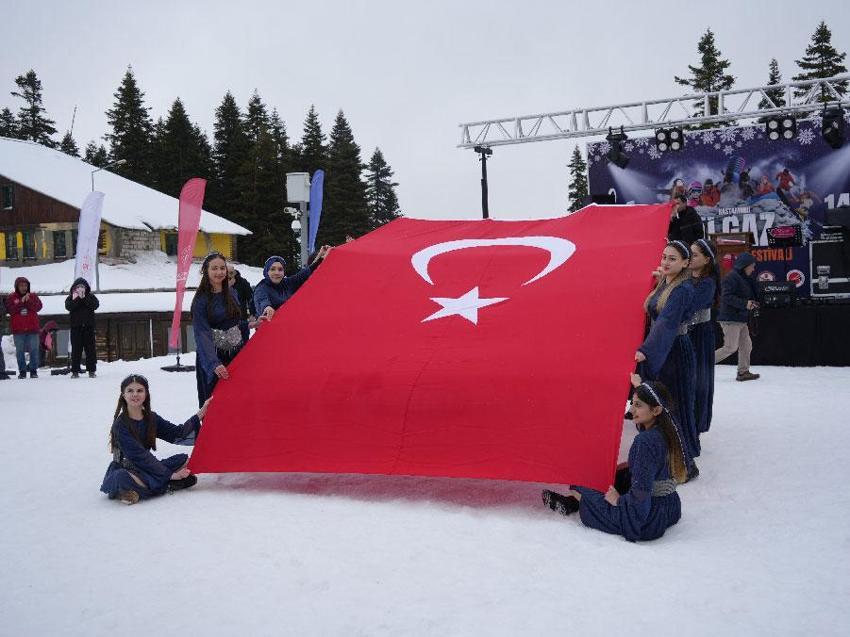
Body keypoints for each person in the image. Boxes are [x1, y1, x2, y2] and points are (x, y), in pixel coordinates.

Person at [542, 378, 685, 542]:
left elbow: (641, 495)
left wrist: (619, 500)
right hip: (670, 506)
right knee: (618, 474)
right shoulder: (671, 428)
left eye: (638, 405)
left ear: (656, 410)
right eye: (633, 403)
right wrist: (641, 387)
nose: (631, 409)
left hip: (648, 519)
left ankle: (576, 502)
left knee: (579, 486)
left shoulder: (645, 442)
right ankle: (571, 504)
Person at [635, 241, 699, 478]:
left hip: (674, 352)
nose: (666, 262)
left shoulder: (683, 290)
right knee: (663, 407)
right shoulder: (665, 283)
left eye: (672, 259)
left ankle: (686, 464)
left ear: (685, 263)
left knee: (674, 407)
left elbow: (667, 322)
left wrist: (646, 351)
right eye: (664, 257)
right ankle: (670, 460)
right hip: (663, 351)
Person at [100, 374, 210, 505]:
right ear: (123, 395)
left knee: (183, 459)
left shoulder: (151, 418)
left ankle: (151, 486)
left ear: (146, 394)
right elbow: (139, 456)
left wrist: (201, 412)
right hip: (129, 470)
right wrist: (170, 475)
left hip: (148, 467)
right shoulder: (120, 425)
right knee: (121, 477)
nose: (135, 394)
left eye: (139, 390)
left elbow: (177, 433)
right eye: (130, 390)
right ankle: (163, 484)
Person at [192, 252, 250, 407]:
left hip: (235, 355)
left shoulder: (232, 293)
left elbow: (235, 323)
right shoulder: (200, 300)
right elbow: (201, 333)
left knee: (238, 401)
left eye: (222, 268)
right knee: (215, 403)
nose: (219, 272)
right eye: (214, 268)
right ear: (206, 271)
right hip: (214, 357)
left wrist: (252, 324)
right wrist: (213, 363)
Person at [688, 239, 720, 434]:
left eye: (695, 255)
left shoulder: (708, 283)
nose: (690, 258)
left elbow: (691, 305)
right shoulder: (686, 278)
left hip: (700, 335)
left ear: (707, 259)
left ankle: (697, 423)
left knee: (699, 379)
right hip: (687, 335)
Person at [253, 246, 331, 322]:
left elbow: (306, 273)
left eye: (280, 269)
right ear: (266, 271)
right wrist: (267, 308)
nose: (276, 272)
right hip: (272, 330)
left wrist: (321, 256)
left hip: (288, 327)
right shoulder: (262, 288)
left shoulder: (287, 283)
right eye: (272, 269)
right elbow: (262, 300)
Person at [714, 252, 760, 381]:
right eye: (752, 266)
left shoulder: (745, 278)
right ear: (745, 266)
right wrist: (745, 304)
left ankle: (743, 372)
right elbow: (726, 297)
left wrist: (752, 302)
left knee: (746, 345)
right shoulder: (731, 277)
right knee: (730, 347)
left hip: (740, 318)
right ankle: (701, 365)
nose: (753, 268)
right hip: (730, 319)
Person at [4, 277, 42, 378]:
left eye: (25, 285)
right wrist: (21, 302)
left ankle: (33, 371)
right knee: (19, 351)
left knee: (34, 350)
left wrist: (28, 301)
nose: (24, 287)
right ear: (17, 286)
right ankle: (22, 371)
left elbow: (38, 307)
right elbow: (10, 310)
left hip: (32, 329)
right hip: (18, 330)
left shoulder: (33, 296)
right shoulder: (11, 297)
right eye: (21, 285)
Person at [65, 277, 100, 378]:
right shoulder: (71, 297)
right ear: (74, 288)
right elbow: (68, 307)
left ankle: (92, 371)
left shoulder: (90, 296)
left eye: (82, 286)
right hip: (76, 328)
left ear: (86, 288)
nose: (80, 288)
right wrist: (77, 299)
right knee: (76, 350)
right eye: (78, 286)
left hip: (89, 328)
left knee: (90, 350)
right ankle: (75, 371)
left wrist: (84, 298)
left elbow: (95, 305)